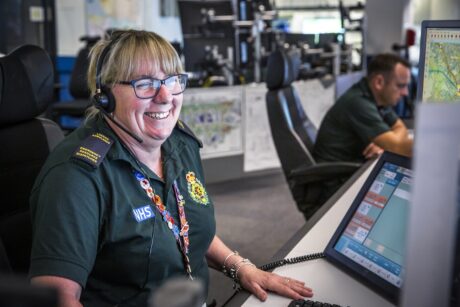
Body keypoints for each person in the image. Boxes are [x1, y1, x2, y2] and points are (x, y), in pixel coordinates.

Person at [29, 30, 313, 307]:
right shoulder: (76, 177)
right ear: (105, 96)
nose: (166, 96)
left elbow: (182, 224)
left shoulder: (178, 143)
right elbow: (57, 298)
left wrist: (240, 268)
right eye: (145, 83)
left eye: (172, 80)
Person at [312, 53, 413, 204]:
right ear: (379, 82)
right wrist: (390, 143)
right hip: (336, 186)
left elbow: (400, 128)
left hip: (354, 171)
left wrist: (385, 142)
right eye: (400, 86)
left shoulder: (377, 99)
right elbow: (400, 148)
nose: (405, 93)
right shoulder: (358, 103)